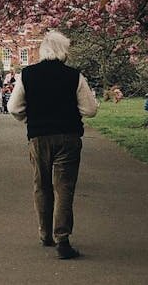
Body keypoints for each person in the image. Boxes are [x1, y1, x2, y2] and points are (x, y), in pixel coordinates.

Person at [8, 30, 98, 259]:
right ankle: (63, 239)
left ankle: (45, 233)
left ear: (42, 51)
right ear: (64, 52)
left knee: (42, 185)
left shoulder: (27, 75)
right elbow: (90, 109)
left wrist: (32, 119)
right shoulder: (74, 76)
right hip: (68, 137)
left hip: (39, 137)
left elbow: (14, 108)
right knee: (64, 187)